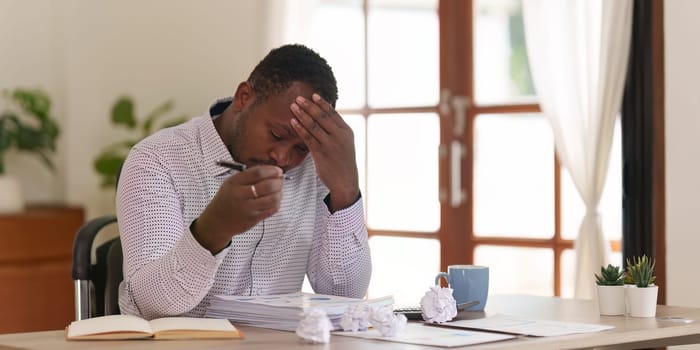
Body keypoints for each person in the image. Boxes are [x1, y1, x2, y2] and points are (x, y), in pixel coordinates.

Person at [116, 44, 371, 320]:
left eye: (301, 148)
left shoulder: (317, 168)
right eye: (276, 134)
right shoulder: (157, 160)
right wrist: (213, 229)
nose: (282, 157)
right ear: (244, 97)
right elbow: (152, 305)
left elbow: (344, 294)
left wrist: (345, 191)